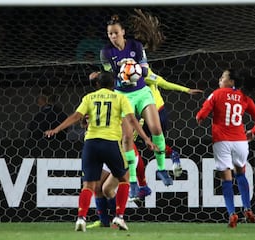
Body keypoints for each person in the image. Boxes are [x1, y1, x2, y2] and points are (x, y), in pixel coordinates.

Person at [44, 72, 156, 232]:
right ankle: (118, 217)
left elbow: (76, 116)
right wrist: (146, 138)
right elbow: (131, 120)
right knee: (123, 179)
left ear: (97, 84)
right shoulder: (120, 99)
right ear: (114, 84)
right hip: (111, 144)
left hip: (91, 144)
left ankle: (81, 218)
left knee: (89, 185)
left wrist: (56, 129)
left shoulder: (89, 98)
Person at [100, 13, 173, 200]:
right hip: (122, 96)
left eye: (116, 33)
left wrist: (135, 70)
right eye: (110, 34)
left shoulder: (136, 46)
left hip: (141, 92)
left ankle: (162, 169)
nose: (113, 37)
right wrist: (123, 73)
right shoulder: (106, 53)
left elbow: (146, 70)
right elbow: (111, 76)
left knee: (156, 128)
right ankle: (133, 182)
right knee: (126, 139)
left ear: (123, 32)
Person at [196, 69, 255, 228]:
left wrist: (199, 118)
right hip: (240, 142)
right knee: (241, 174)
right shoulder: (244, 97)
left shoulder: (217, 94)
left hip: (222, 141)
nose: (220, 80)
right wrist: (253, 132)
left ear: (231, 81)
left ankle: (232, 214)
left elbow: (201, 115)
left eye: (223, 77)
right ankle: (248, 209)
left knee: (226, 178)